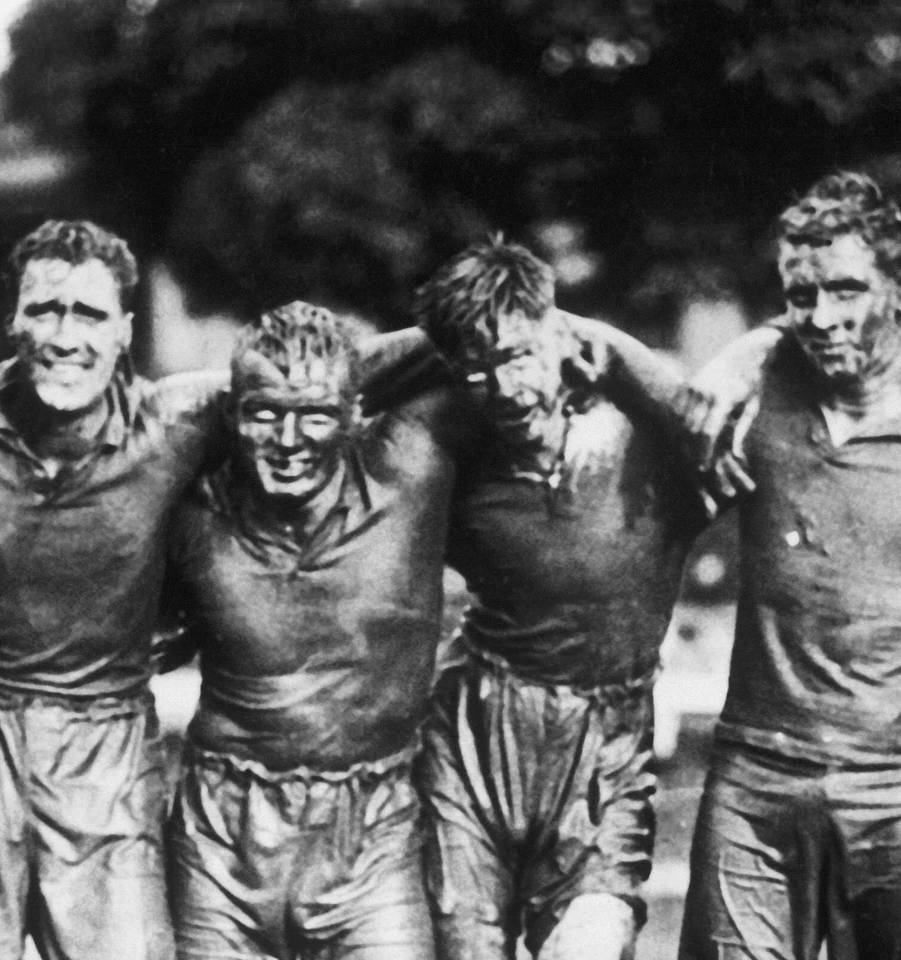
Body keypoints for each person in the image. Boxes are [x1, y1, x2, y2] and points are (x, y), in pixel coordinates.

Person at [410, 236, 781, 960]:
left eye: (517, 356)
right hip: (478, 733)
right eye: (478, 370)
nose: (505, 388)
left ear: (556, 334)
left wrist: (605, 341)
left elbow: (724, 426)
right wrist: (442, 347)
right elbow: (336, 389)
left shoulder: (647, 440)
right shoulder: (455, 448)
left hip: (607, 745)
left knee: (591, 944)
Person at [0, 219, 225, 960]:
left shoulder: (172, 423)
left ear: (125, 330)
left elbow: (327, 374)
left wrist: (539, 325)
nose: (66, 335)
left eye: (90, 314)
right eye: (45, 310)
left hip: (104, 742)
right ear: (13, 320)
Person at [164, 301, 467, 960]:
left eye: (317, 415)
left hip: (373, 833)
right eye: (265, 413)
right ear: (231, 412)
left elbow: (486, 326)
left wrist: (349, 367)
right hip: (223, 834)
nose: (290, 440)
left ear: (357, 413)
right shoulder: (194, 504)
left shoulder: (409, 471)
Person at [679, 171, 901, 960]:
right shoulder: (755, 393)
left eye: (847, 290)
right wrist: (753, 346)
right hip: (758, 775)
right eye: (801, 296)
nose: (824, 317)